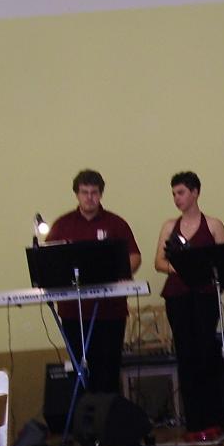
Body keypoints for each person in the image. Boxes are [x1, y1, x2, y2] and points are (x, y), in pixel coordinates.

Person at [46, 169, 141, 395]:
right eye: (84, 192)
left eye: (94, 192)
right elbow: (49, 260)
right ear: (77, 194)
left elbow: (134, 256)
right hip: (73, 312)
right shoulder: (62, 225)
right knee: (81, 372)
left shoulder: (116, 223)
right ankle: (85, 415)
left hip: (110, 311)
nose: (89, 197)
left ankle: (108, 415)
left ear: (101, 194)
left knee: (108, 370)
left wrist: (121, 271)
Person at [154, 171, 224, 442]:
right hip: (178, 296)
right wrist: (183, 267)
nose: (177, 198)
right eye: (174, 194)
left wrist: (202, 269)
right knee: (186, 354)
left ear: (195, 193)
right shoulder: (169, 226)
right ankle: (194, 422)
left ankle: (214, 418)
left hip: (205, 294)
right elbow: (159, 262)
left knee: (206, 352)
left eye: (181, 193)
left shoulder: (214, 225)